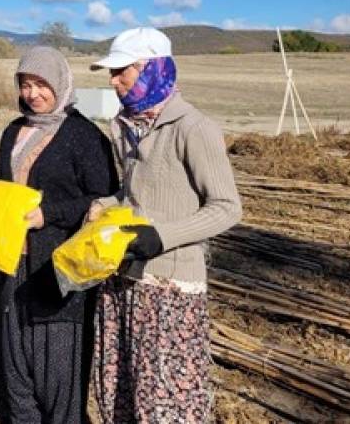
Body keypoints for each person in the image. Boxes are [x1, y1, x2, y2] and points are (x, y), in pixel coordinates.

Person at [87, 27, 242, 424]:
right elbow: (132, 195)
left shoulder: (194, 128)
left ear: (152, 69)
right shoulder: (124, 126)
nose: (113, 80)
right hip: (123, 276)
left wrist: (162, 237)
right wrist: (103, 205)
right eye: (112, 72)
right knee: (120, 387)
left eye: (122, 71)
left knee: (165, 398)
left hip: (170, 285)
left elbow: (226, 208)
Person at [0, 46, 118, 424]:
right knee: (18, 358)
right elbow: (1, 183)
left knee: (58, 365)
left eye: (41, 84)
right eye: (25, 84)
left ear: (59, 84)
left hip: (58, 264)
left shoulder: (85, 137)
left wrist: (50, 214)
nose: (32, 94)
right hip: (13, 258)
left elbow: (103, 199)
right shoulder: (14, 130)